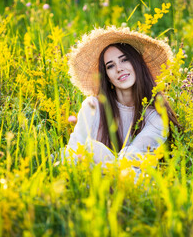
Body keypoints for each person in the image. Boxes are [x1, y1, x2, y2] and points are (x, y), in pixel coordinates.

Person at [65, 26, 181, 167]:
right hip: (88, 181)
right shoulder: (93, 106)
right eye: (110, 66)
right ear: (106, 77)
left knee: (92, 150)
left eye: (124, 59)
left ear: (137, 63)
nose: (119, 68)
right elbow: (73, 150)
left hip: (133, 182)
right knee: (89, 149)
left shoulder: (156, 117)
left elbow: (133, 159)